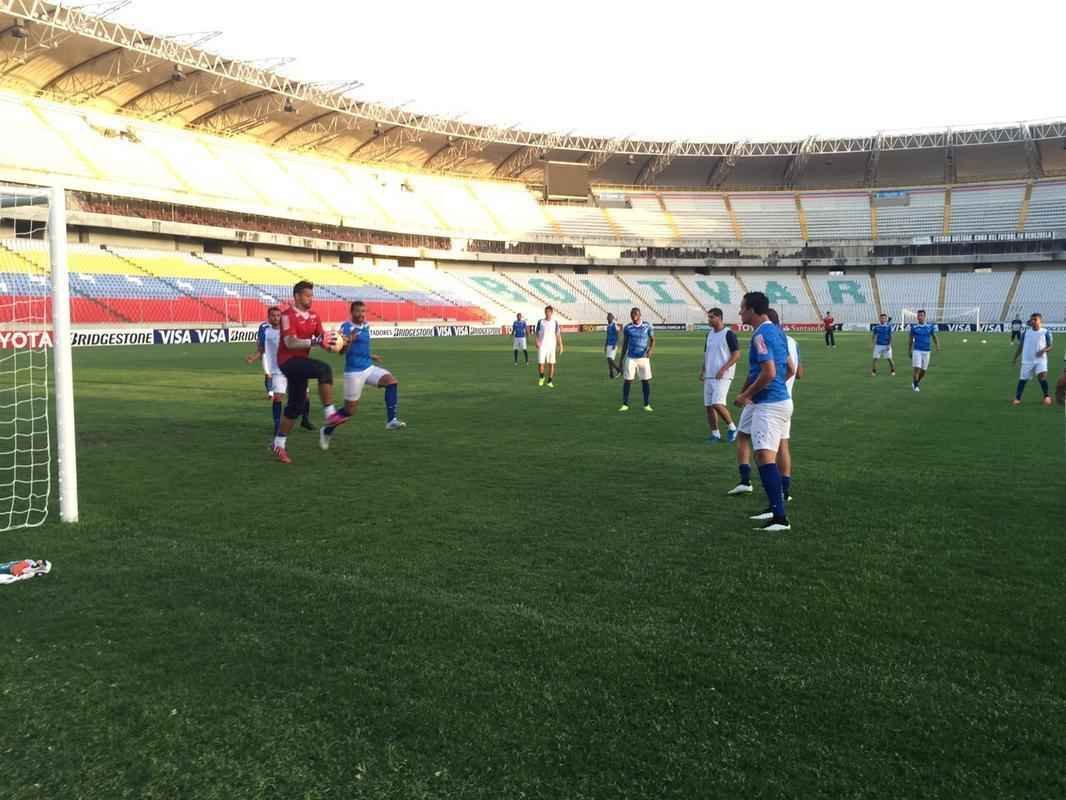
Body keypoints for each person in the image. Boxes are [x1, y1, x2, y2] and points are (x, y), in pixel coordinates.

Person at [731, 292, 793, 532]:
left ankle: (780, 518)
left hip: (769, 404)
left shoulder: (761, 335)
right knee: (764, 454)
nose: (740, 313)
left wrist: (747, 395)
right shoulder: (778, 332)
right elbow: (789, 368)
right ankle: (773, 507)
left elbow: (768, 372)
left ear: (753, 310)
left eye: (742, 308)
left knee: (765, 458)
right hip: (778, 401)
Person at [272, 281, 349, 464]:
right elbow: (290, 343)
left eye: (312, 295)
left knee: (295, 407)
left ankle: (278, 444)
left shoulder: (314, 316)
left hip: (301, 363)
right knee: (324, 370)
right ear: (297, 296)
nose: (310, 298)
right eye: (307, 295)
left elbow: (323, 339)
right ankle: (330, 414)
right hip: (287, 362)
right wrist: (315, 342)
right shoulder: (287, 315)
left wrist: (340, 344)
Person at [320, 300, 406, 450]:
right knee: (349, 411)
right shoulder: (346, 327)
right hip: (354, 372)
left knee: (391, 382)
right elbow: (341, 352)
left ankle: (391, 420)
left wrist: (372, 356)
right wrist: (350, 341)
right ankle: (326, 430)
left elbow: (363, 348)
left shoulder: (366, 325)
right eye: (358, 311)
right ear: (352, 312)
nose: (361, 314)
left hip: (368, 367)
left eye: (363, 311)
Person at [246, 306, 311, 435]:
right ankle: (277, 424)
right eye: (273, 316)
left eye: (278, 315)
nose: (276, 318)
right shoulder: (266, 331)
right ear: (269, 318)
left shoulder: (288, 330)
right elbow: (261, 349)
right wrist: (253, 358)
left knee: (304, 395)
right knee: (278, 397)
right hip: (278, 369)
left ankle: (305, 419)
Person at [699, 307, 739, 442]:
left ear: (719, 318)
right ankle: (715, 434)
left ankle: (732, 428)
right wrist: (703, 371)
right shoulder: (709, 334)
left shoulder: (729, 334)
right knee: (709, 407)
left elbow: (736, 354)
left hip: (724, 376)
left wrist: (723, 369)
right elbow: (706, 354)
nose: (709, 320)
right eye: (708, 317)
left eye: (711, 317)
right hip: (709, 375)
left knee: (717, 403)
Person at [616, 307, 654, 412]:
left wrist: (650, 349)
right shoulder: (628, 328)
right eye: (632, 314)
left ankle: (646, 404)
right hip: (631, 358)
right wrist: (621, 360)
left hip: (644, 358)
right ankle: (625, 404)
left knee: (645, 381)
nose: (633, 316)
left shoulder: (647, 326)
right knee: (628, 380)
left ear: (640, 315)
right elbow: (625, 344)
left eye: (635, 314)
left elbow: (652, 339)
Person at [1012, 312, 1054, 406]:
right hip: (1027, 360)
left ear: (1040, 321)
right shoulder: (1026, 333)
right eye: (1032, 319)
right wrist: (1015, 357)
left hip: (1041, 360)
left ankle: (1046, 396)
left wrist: (1043, 350)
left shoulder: (1046, 332)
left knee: (1042, 376)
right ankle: (1018, 398)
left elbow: (1050, 346)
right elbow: (1020, 346)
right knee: (1023, 379)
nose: (1033, 321)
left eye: (1035, 319)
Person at [908, 310, 940, 393]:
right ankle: (916, 386)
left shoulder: (930, 327)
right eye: (919, 315)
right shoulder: (914, 327)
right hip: (917, 350)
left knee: (923, 371)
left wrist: (937, 345)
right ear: (917, 317)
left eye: (921, 315)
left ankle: (915, 382)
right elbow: (910, 339)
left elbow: (934, 336)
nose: (920, 317)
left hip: (927, 351)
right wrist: (909, 350)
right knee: (917, 368)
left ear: (924, 316)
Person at [536, 306, 563, 388]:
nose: (547, 313)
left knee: (551, 364)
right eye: (546, 312)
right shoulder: (540, 322)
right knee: (541, 363)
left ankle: (549, 381)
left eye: (548, 312)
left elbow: (558, 335)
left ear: (551, 313)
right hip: (542, 346)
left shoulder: (555, 322)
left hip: (551, 346)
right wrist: (537, 341)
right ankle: (541, 377)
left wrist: (561, 345)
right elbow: (537, 333)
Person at [604, 313, 622, 378]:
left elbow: (618, 334)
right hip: (609, 344)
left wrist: (615, 344)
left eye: (610, 317)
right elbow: (607, 336)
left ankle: (619, 370)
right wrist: (605, 345)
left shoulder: (615, 325)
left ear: (612, 318)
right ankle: (611, 374)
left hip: (613, 345)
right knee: (609, 361)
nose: (608, 318)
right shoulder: (608, 326)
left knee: (610, 359)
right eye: (608, 317)